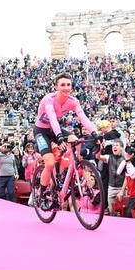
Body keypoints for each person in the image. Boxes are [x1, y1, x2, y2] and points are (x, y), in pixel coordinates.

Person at [33, 73, 99, 210]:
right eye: (63, 85)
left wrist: (95, 133)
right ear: (56, 87)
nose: (66, 87)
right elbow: (52, 118)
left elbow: (83, 118)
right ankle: (42, 195)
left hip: (56, 129)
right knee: (50, 163)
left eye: (68, 84)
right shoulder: (49, 99)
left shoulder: (73, 101)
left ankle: (74, 166)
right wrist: (59, 137)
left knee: (75, 140)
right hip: (42, 131)